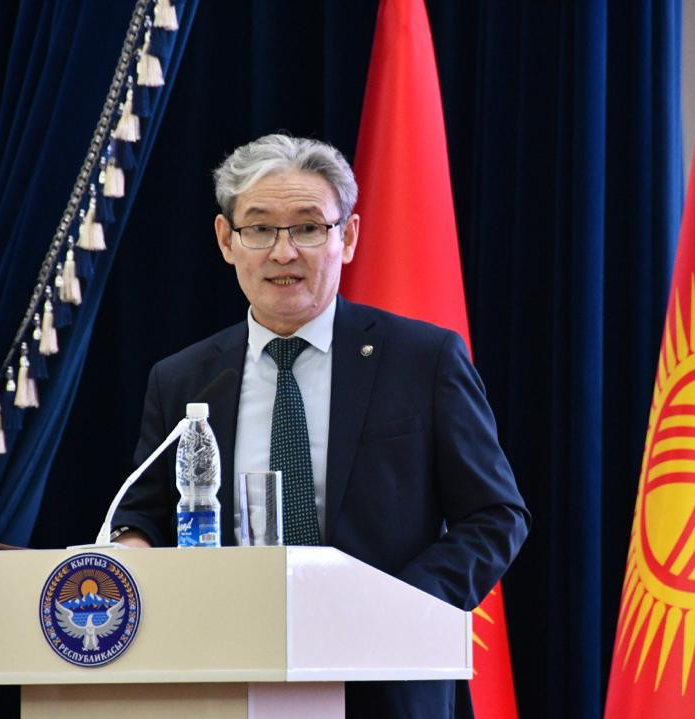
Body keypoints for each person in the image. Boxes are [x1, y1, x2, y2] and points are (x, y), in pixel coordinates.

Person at [111, 133, 529, 718]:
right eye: (260, 229)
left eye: (308, 228)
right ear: (226, 240)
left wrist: (397, 605)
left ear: (348, 237)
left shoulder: (423, 359)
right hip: (226, 680)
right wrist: (131, 549)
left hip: (384, 683)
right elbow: (143, 514)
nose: (283, 253)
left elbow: (495, 516)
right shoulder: (183, 379)